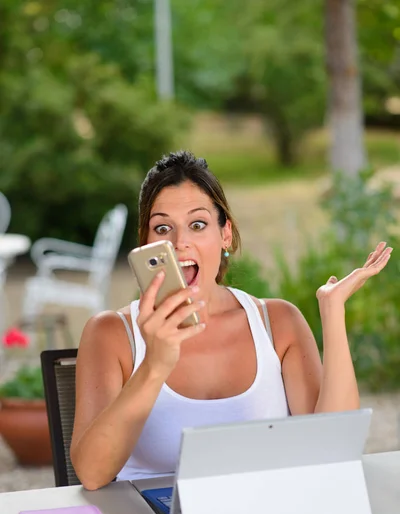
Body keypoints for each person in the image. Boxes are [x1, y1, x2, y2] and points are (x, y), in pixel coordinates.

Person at [70, 150, 392, 490]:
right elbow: (91, 474)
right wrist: (154, 365)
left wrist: (333, 312)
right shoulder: (111, 334)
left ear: (225, 234)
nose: (180, 243)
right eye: (162, 227)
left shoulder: (278, 323)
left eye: (197, 224)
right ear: (146, 242)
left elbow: (333, 448)